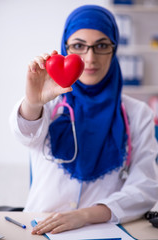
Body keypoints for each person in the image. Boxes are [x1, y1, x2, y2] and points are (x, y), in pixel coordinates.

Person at [9, 4, 158, 236]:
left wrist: (85, 215)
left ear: (114, 48)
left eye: (101, 45)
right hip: (38, 229)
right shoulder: (48, 103)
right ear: (65, 47)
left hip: (101, 230)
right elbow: (26, 135)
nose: (90, 57)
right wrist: (33, 101)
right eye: (78, 46)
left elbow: (145, 187)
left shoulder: (138, 114)